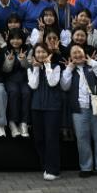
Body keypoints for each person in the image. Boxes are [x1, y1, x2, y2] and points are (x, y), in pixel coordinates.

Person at [60, 44, 97, 180]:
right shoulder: (69, 70)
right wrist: (69, 68)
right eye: (74, 53)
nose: (77, 55)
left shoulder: (93, 66)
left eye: (79, 52)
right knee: (82, 139)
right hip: (79, 109)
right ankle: (86, 167)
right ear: (70, 56)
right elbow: (64, 86)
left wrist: (93, 63)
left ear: (84, 53)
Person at [28, 42, 63, 181]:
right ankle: (46, 166)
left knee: (51, 139)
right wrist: (36, 69)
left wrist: (48, 66)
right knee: (39, 139)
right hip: (36, 107)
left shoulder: (56, 67)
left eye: (43, 52)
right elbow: (33, 85)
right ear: (34, 54)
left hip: (52, 108)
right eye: (38, 52)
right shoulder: (31, 68)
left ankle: (53, 170)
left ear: (48, 53)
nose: (40, 54)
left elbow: (52, 83)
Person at [2, 29, 31, 138]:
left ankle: (24, 123)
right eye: (13, 39)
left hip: (25, 78)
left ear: (22, 39)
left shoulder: (28, 49)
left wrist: (23, 60)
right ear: (9, 40)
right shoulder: (5, 50)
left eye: (18, 38)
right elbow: (5, 70)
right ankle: (12, 122)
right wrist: (9, 61)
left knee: (27, 93)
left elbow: (29, 67)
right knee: (14, 92)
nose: (15, 41)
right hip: (10, 78)